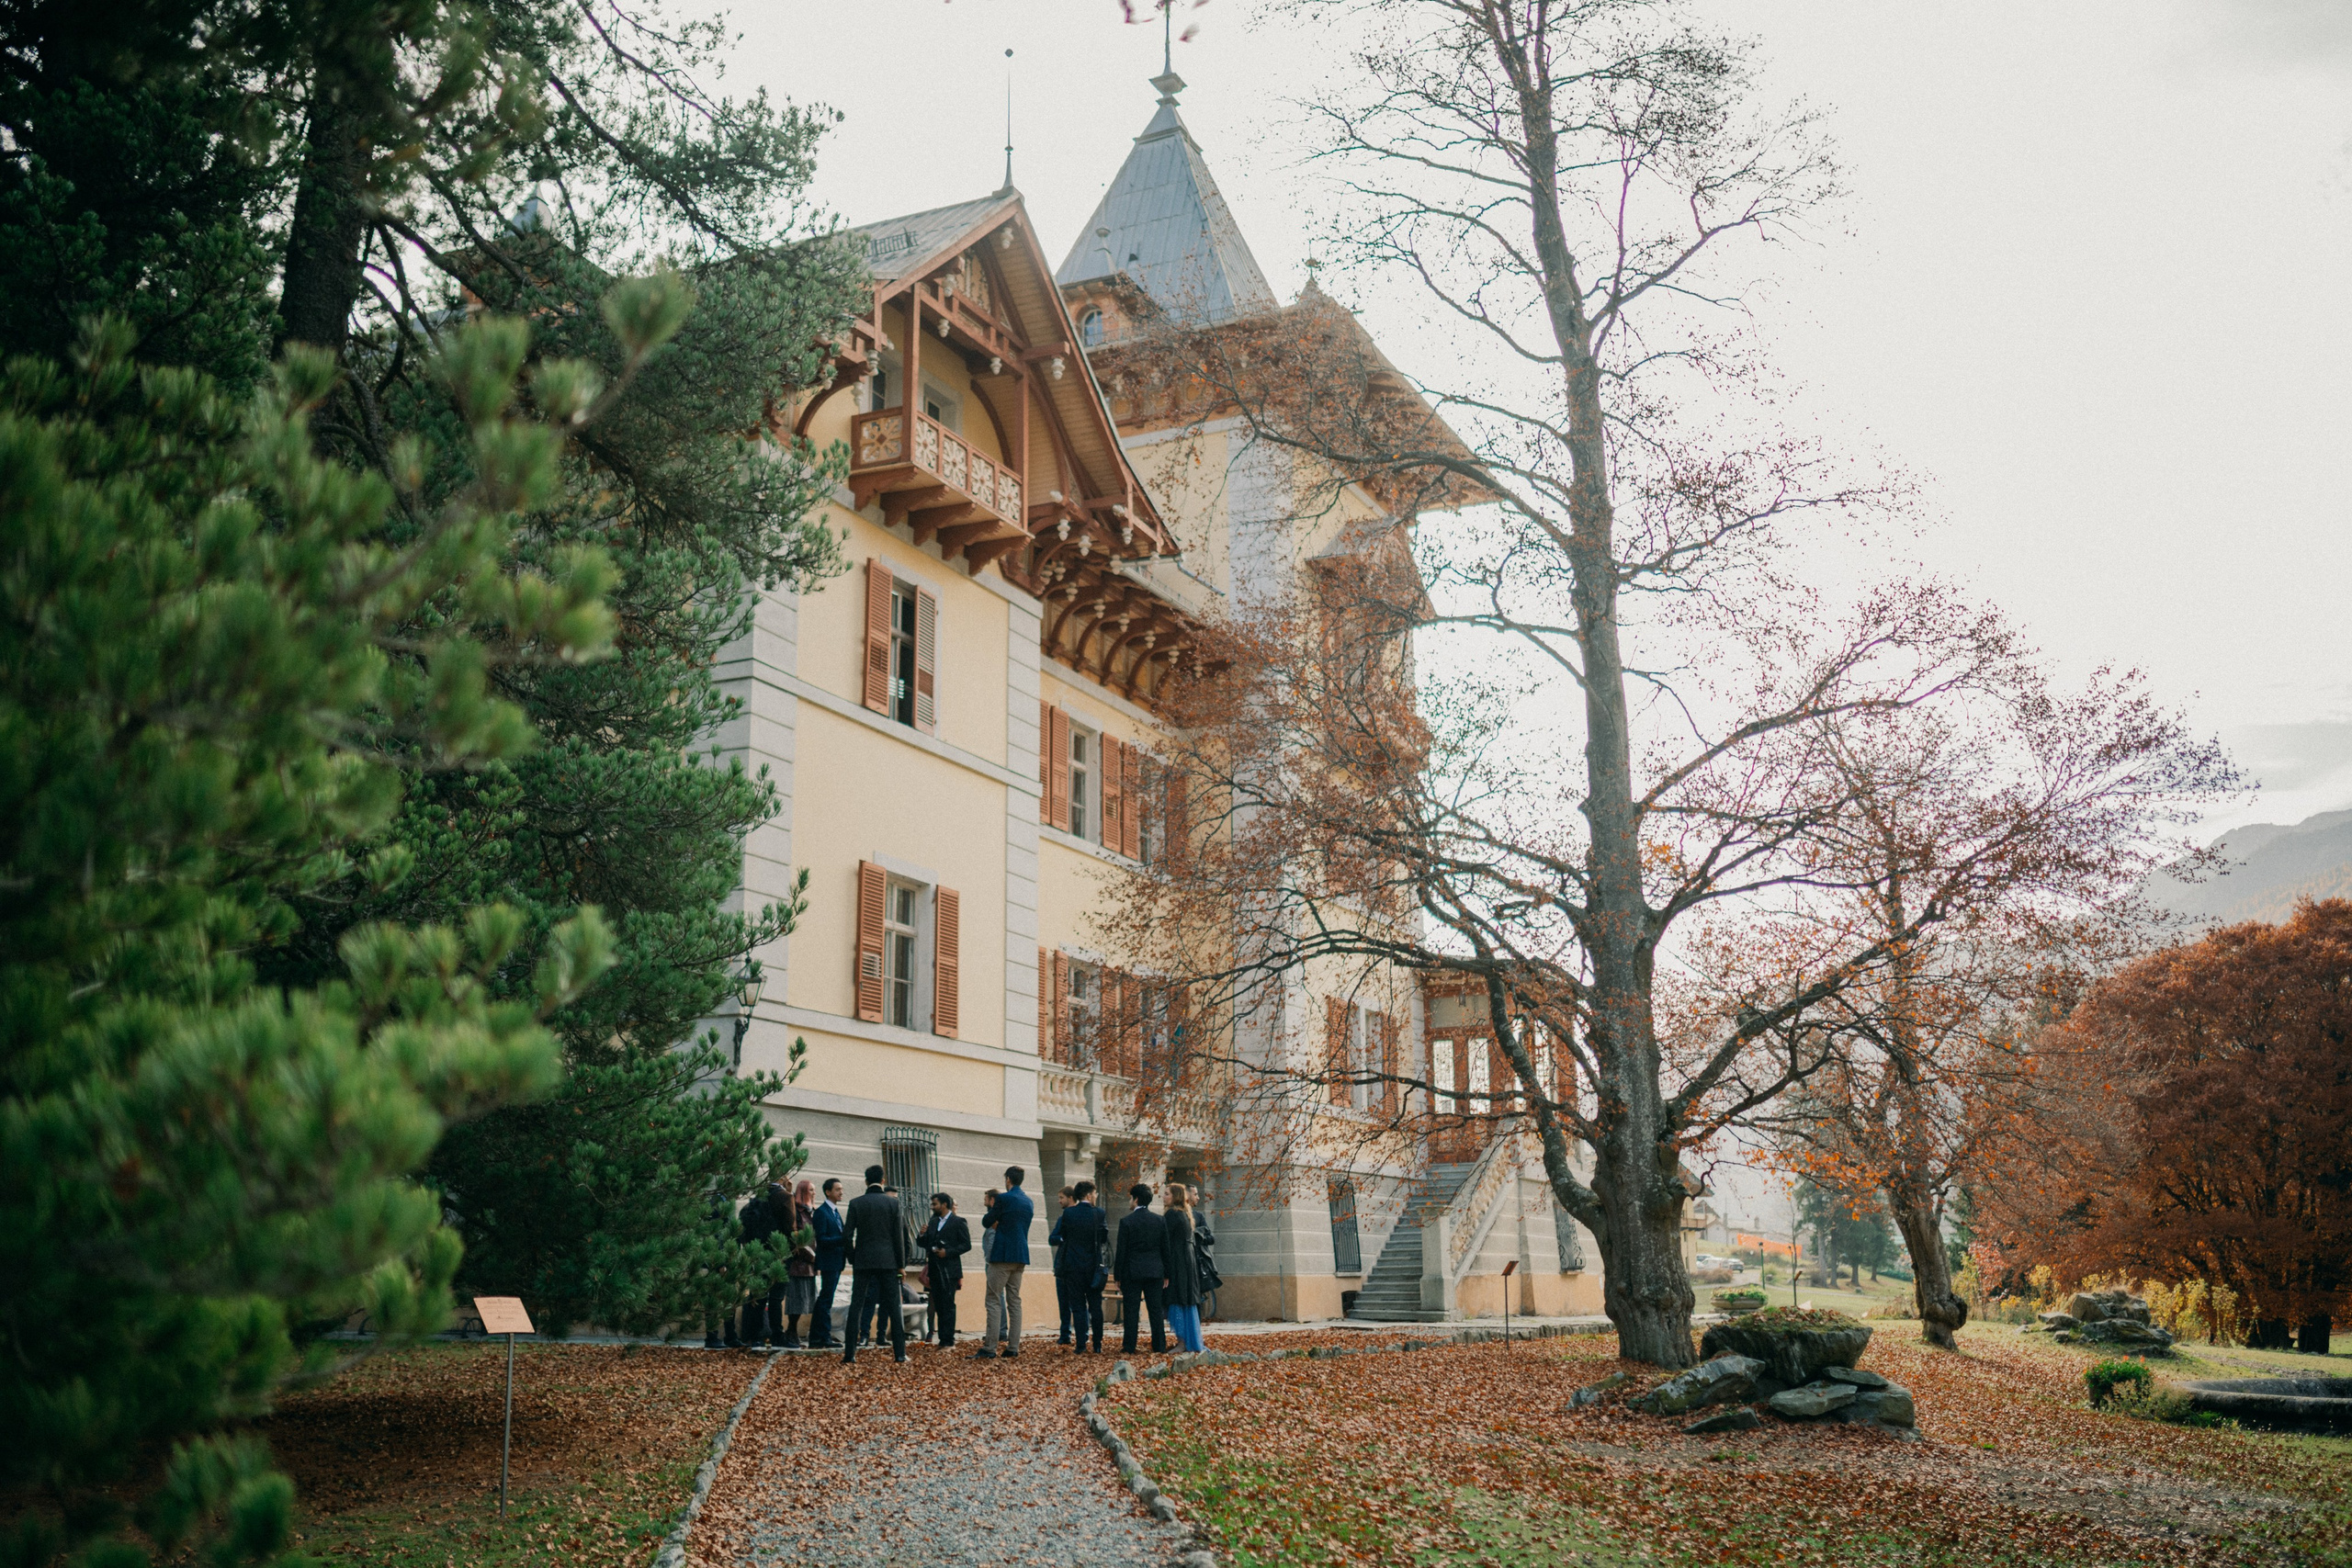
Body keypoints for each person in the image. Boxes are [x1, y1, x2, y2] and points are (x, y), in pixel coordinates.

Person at [841, 1166, 910, 1364]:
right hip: (888, 1261)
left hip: (863, 1260)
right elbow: (898, 1237)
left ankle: (850, 1354)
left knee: (856, 1305)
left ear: (865, 1181)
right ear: (883, 1180)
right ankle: (900, 1354)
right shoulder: (893, 1203)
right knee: (894, 1307)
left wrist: (853, 1257)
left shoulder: (856, 1203)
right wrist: (901, 1264)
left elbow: (847, 1235)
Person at [978, 1164, 1034, 1359]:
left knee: (993, 1299)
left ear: (1008, 1179)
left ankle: (990, 1347)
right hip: (1020, 1255)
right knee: (1014, 1301)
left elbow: (987, 1221)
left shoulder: (1003, 1198)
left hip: (1002, 1254)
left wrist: (998, 1221)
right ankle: (1013, 1347)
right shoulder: (1028, 1201)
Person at [1111, 1181, 1170, 1354]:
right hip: (1155, 1271)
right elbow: (1166, 1249)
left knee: (1131, 1310)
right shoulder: (1159, 1220)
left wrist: (1118, 1276)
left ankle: (1129, 1346)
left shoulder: (1126, 1222)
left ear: (1136, 1199)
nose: (1130, 1201)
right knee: (1155, 1311)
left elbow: (1121, 1251)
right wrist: (1167, 1273)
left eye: (1131, 1198)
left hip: (1132, 1272)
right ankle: (1159, 1345)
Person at [1055, 1179, 1109, 1353]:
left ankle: (1081, 1345)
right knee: (1095, 1306)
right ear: (1089, 1195)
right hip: (1094, 1267)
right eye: (1094, 1193)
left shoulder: (1069, 1213)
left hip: (1073, 1266)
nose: (1096, 1196)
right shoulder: (1099, 1213)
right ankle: (1097, 1344)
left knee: (1078, 1307)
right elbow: (1103, 1238)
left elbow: (1063, 1235)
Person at [916, 1191, 971, 1348]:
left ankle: (948, 1340)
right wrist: (921, 1235)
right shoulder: (933, 1222)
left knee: (948, 1305)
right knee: (939, 1305)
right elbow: (925, 1244)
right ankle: (942, 1339)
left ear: (944, 1204)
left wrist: (947, 1252)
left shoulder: (958, 1222)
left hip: (949, 1270)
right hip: (935, 1269)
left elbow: (966, 1245)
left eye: (935, 1204)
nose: (932, 1207)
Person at [736, 1177, 783, 1347]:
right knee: (772, 1298)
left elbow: (742, 1234)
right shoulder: (773, 1209)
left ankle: (752, 1336)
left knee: (756, 1298)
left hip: (754, 1256)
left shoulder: (748, 1209)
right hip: (770, 1255)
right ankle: (769, 1334)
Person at [1163, 1183, 1205, 1352]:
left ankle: (1182, 1342)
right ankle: (1187, 1341)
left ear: (1175, 1196)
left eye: (1167, 1194)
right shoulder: (1185, 1214)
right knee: (1186, 1301)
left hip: (1178, 1262)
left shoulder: (1172, 1214)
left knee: (1177, 1300)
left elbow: (1166, 1241)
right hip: (1187, 1261)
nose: (1164, 1197)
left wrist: (1166, 1270)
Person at [778, 1179, 820, 1348]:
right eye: (811, 1190)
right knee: (796, 1301)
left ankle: (792, 1331)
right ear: (803, 1192)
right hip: (799, 1264)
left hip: (810, 1263)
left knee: (806, 1301)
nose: (814, 1193)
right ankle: (791, 1331)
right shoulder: (797, 1211)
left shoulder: (812, 1212)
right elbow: (797, 1238)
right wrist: (812, 1257)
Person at [808, 1178, 848, 1348]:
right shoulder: (822, 1212)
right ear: (828, 1192)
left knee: (826, 1299)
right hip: (828, 1261)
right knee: (825, 1300)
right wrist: (842, 1239)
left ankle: (817, 1337)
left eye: (841, 1189)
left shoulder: (835, 1212)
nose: (841, 1192)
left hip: (837, 1261)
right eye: (837, 1189)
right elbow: (822, 1239)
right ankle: (823, 1337)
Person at [1048, 1187, 1079, 1346]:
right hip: (1062, 1266)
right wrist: (1062, 1239)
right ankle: (1065, 1334)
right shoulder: (1062, 1218)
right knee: (1063, 1303)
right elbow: (1052, 1238)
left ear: (1070, 1198)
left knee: (1077, 1303)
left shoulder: (1080, 1215)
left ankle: (1081, 1334)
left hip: (1076, 1266)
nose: (1059, 1201)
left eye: (1062, 1198)